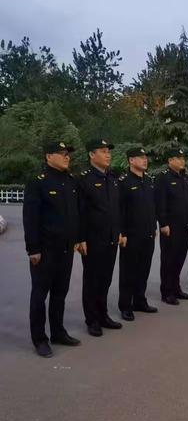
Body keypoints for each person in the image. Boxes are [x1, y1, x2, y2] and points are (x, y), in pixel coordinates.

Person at [23, 141, 81, 358]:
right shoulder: (38, 183)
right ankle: (39, 339)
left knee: (60, 293)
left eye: (68, 154)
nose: (67, 157)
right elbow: (31, 218)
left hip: (66, 249)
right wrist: (33, 249)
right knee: (40, 295)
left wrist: (76, 239)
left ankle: (58, 332)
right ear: (49, 156)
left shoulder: (70, 181)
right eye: (62, 153)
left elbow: (74, 215)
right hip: (45, 250)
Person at [77, 139, 123, 337]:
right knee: (92, 279)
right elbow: (79, 212)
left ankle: (103, 315)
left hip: (111, 237)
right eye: (103, 151)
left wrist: (119, 231)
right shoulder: (83, 179)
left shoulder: (112, 178)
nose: (108, 155)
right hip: (92, 239)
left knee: (105, 279)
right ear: (91, 155)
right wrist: (80, 238)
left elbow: (117, 210)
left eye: (108, 151)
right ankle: (92, 319)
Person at [118, 147, 158, 321]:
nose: (145, 160)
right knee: (129, 271)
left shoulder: (148, 180)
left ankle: (140, 301)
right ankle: (126, 305)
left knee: (144, 269)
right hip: (131, 235)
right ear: (131, 160)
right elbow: (120, 209)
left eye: (145, 157)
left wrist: (153, 226)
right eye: (140, 157)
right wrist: (122, 232)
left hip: (148, 233)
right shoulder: (124, 181)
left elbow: (151, 207)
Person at [154, 148, 188, 305]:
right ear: (170, 160)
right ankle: (167, 291)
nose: (182, 161)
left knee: (180, 258)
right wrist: (163, 223)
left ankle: (176, 288)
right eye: (178, 158)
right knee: (169, 259)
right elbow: (160, 202)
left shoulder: (184, 178)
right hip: (171, 226)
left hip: (184, 225)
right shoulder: (163, 178)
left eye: (183, 158)